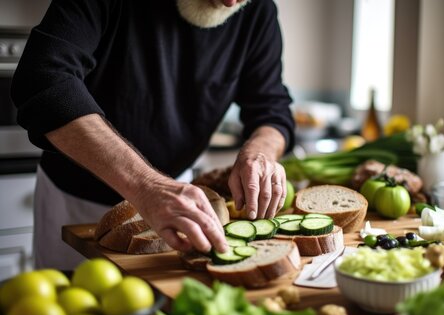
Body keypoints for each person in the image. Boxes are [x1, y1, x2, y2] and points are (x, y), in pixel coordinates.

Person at [11, 0, 295, 269]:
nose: (230, 3)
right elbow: (45, 79)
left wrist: (261, 152)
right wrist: (146, 186)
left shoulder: (258, 11)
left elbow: (271, 108)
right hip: (75, 201)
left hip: (177, 198)